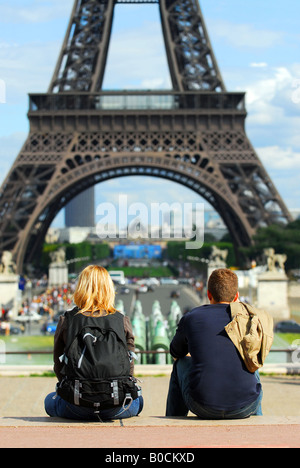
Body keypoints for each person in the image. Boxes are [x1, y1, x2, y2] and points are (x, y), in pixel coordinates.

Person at [45, 265, 143, 421]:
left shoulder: (67, 320)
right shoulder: (121, 320)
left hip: (75, 405)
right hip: (117, 406)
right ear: (109, 289)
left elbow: (58, 366)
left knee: (49, 400)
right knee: (139, 399)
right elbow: (129, 367)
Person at [166, 268, 263, 419]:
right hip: (246, 406)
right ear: (236, 296)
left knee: (180, 363)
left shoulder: (192, 317)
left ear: (208, 294)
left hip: (202, 405)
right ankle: (258, 421)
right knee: (251, 361)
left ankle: (173, 418)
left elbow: (175, 352)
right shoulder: (246, 319)